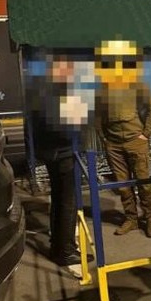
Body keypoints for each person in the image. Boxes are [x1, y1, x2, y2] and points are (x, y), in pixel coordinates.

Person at [28, 55, 93, 267]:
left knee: (59, 200)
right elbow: (67, 128)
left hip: (53, 153)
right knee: (68, 203)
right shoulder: (59, 93)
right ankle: (65, 251)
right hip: (64, 154)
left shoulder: (41, 90)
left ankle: (58, 246)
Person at [96, 42, 151, 238]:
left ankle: (150, 218)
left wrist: (145, 134)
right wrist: (104, 139)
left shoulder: (136, 83)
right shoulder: (102, 88)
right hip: (113, 144)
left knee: (144, 183)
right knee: (123, 186)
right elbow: (97, 116)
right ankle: (131, 219)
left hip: (135, 141)